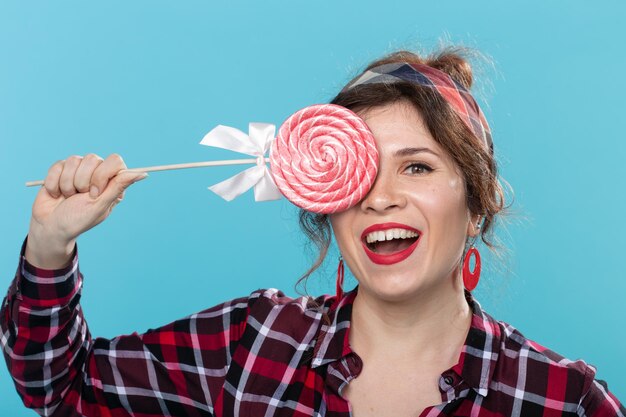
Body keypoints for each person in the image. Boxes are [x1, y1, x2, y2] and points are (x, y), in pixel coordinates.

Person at [2, 48, 624, 417]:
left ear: (477, 205)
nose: (381, 197)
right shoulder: (256, 342)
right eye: (361, 172)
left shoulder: (562, 398)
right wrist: (51, 248)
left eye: (417, 166)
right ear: (325, 200)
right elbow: (62, 388)